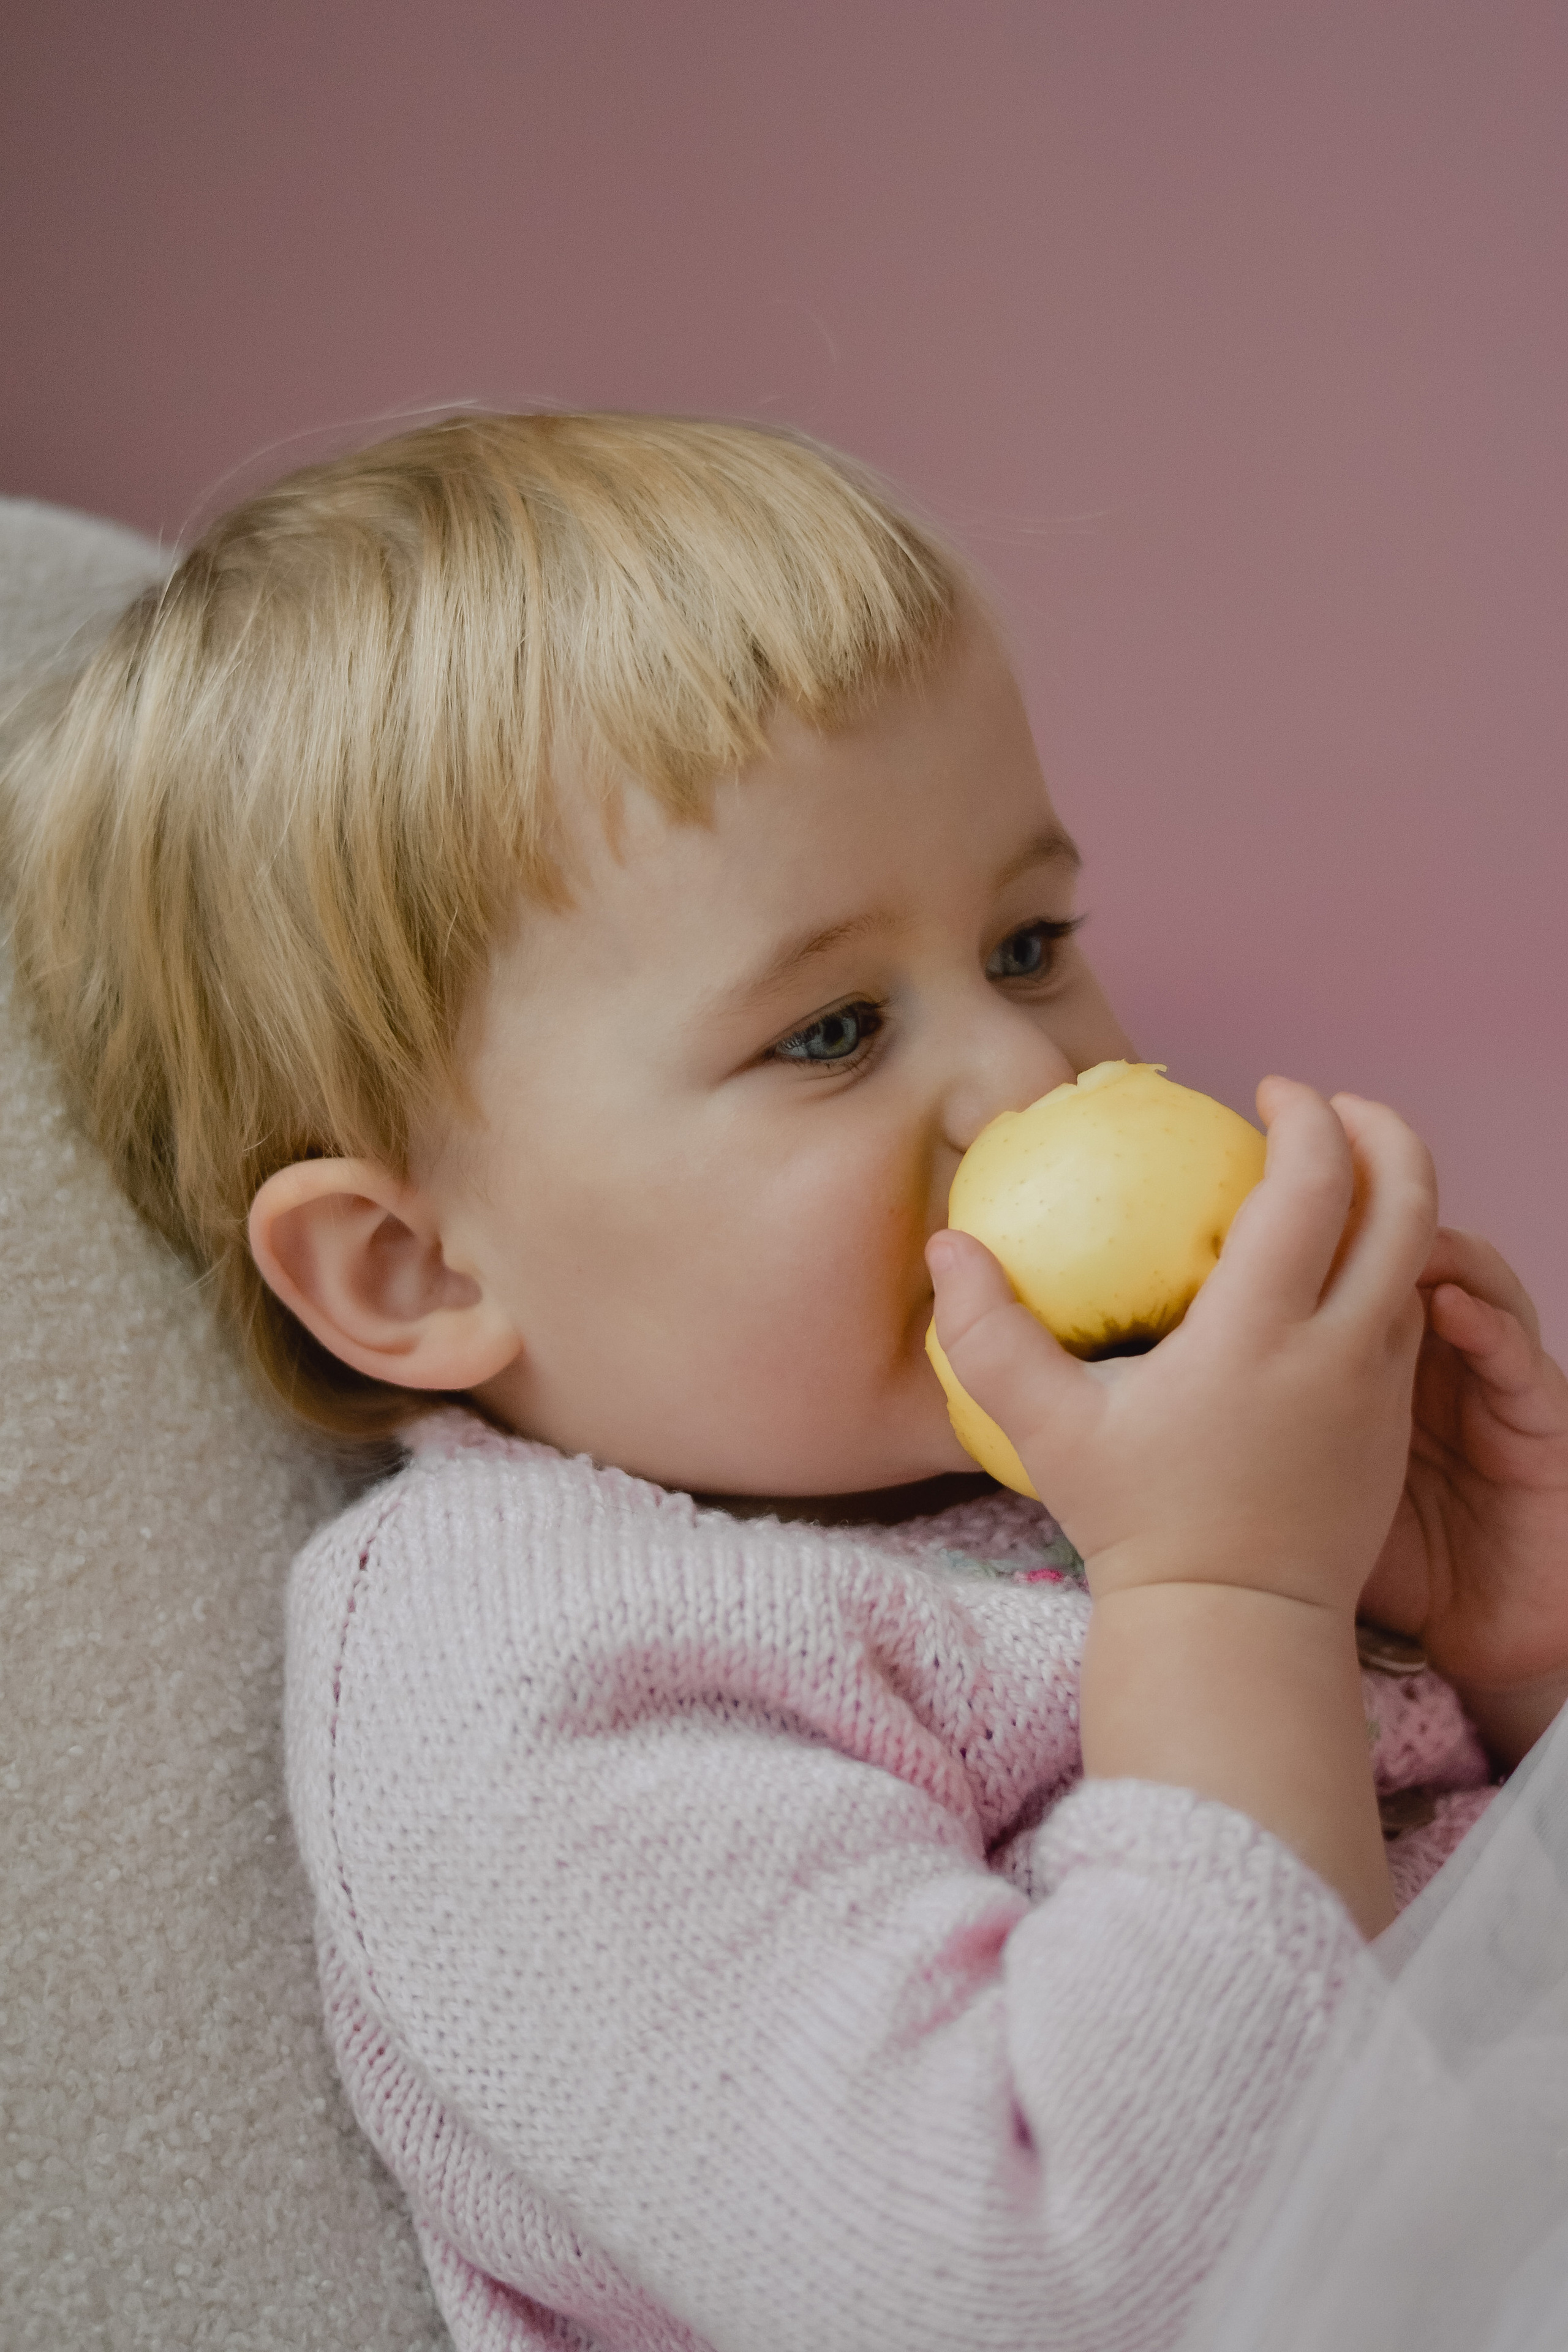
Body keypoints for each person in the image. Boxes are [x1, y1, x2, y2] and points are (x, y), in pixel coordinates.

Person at [5, 412, 1566, 2352]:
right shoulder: (533, 1678)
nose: (1028, 1079)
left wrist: (1510, 1667)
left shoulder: (1111, 1453)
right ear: (413, 1271)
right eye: (832, 1029)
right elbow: (1060, 2282)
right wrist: (1231, 1605)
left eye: (1030, 941)